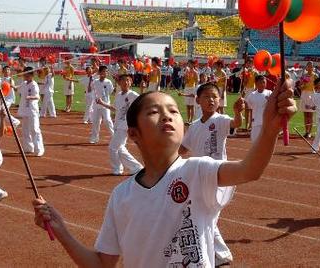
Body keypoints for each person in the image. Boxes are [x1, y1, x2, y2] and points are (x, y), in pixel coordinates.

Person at [32, 80, 296, 267]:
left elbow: (250, 170)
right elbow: (102, 264)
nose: (167, 116)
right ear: (133, 133)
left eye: (174, 111)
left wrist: (270, 129)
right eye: (154, 112)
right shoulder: (121, 196)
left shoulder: (197, 170)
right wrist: (61, 230)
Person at [179, 82, 244, 266]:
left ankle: (219, 255)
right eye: (207, 96)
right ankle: (220, 254)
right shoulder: (194, 126)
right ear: (198, 100)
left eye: (215, 96)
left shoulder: (221, 120)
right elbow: (183, 149)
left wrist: (238, 112)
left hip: (218, 175)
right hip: (199, 176)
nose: (211, 100)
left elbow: (236, 123)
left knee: (206, 215)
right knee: (205, 216)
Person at [97, 74, 142, 175]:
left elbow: (142, 102)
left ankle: (117, 169)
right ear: (119, 83)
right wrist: (102, 103)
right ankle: (136, 167)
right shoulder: (119, 95)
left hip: (125, 125)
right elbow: (114, 108)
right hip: (117, 124)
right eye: (123, 80)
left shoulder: (132, 94)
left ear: (130, 83)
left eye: (128, 80)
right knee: (120, 148)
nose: (126, 82)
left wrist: (142, 89)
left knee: (112, 147)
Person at [17, 67, 45, 157]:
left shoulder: (34, 84)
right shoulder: (24, 83)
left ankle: (39, 149)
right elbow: (17, 88)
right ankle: (28, 147)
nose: (25, 76)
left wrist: (30, 97)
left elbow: (37, 97)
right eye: (24, 74)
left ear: (31, 75)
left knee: (35, 129)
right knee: (25, 129)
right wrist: (9, 85)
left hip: (32, 110)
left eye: (27, 74)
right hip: (24, 109)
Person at [90, 65, 114, 144]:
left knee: (107, 120)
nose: (105, 73)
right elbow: (90, 88)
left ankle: (114, 137)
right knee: (96, 122)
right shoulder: (95, 81)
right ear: (99, 72)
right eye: (103, 71)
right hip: (96, 106)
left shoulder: (108, 82)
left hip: (105, 105)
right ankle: (94, 138)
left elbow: (111, 92)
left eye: (106, 71)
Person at [245, 75, 272, 142]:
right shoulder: (252, 95)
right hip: (256, 123)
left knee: (266, 143)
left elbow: (274, 106)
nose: (263, 84)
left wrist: (270, 101)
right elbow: (249, 108)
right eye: (261, 82)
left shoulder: (269, 93)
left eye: (264, 82)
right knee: (255, 142)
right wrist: (250, 122)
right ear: (256, 83)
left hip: (267, 123)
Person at [299, 61, 318, 138]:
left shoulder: (315, 76)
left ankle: (310, 132)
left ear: (313, 67)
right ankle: (306, 131)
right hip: (304, 94)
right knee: (305, 114)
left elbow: (318, 86)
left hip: (312, 94)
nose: (310, 68)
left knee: (310, 114)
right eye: (308, 66)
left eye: (311, 66)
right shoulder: (304, 76)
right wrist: (303, 84)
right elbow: (300, 86)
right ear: (306, 67)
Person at [183, 60, 199, 124]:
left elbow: (197, 82)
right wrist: (186, 76)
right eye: (188, 64)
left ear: (193, 64)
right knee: (187, 105)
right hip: (187, 88)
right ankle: (188, 119)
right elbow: (186, 81)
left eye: (189, 64)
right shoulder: (187, 72)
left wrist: (195, 91)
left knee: (192, 105)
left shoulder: (195, 72)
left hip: (192, 88)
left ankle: (191, 120)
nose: (188, 65)